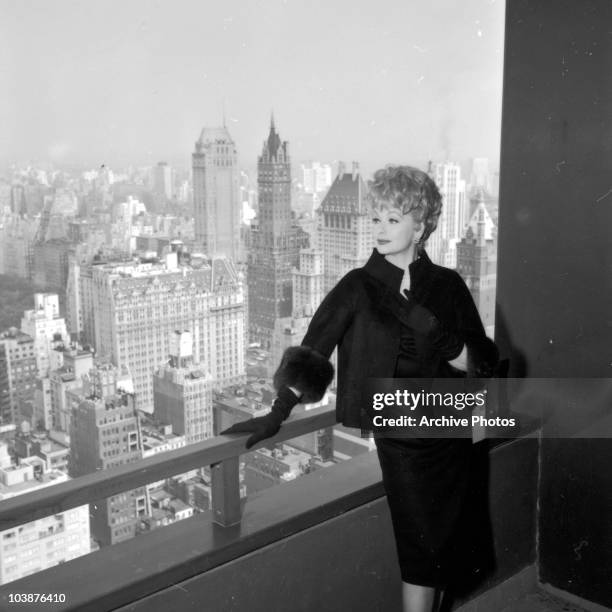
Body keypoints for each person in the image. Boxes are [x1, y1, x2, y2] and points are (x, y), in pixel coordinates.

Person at [222, 165, 498, 612]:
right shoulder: (358, 287)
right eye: (376, 219)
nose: (381, 229)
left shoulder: (447, 286)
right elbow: (314, 350)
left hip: (451, 434)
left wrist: (440, 336)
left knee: (445, 553)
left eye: (393, 219)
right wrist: (279, 410)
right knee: (419, 554)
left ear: (422, 225)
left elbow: (480, 363)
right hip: (403, 442)